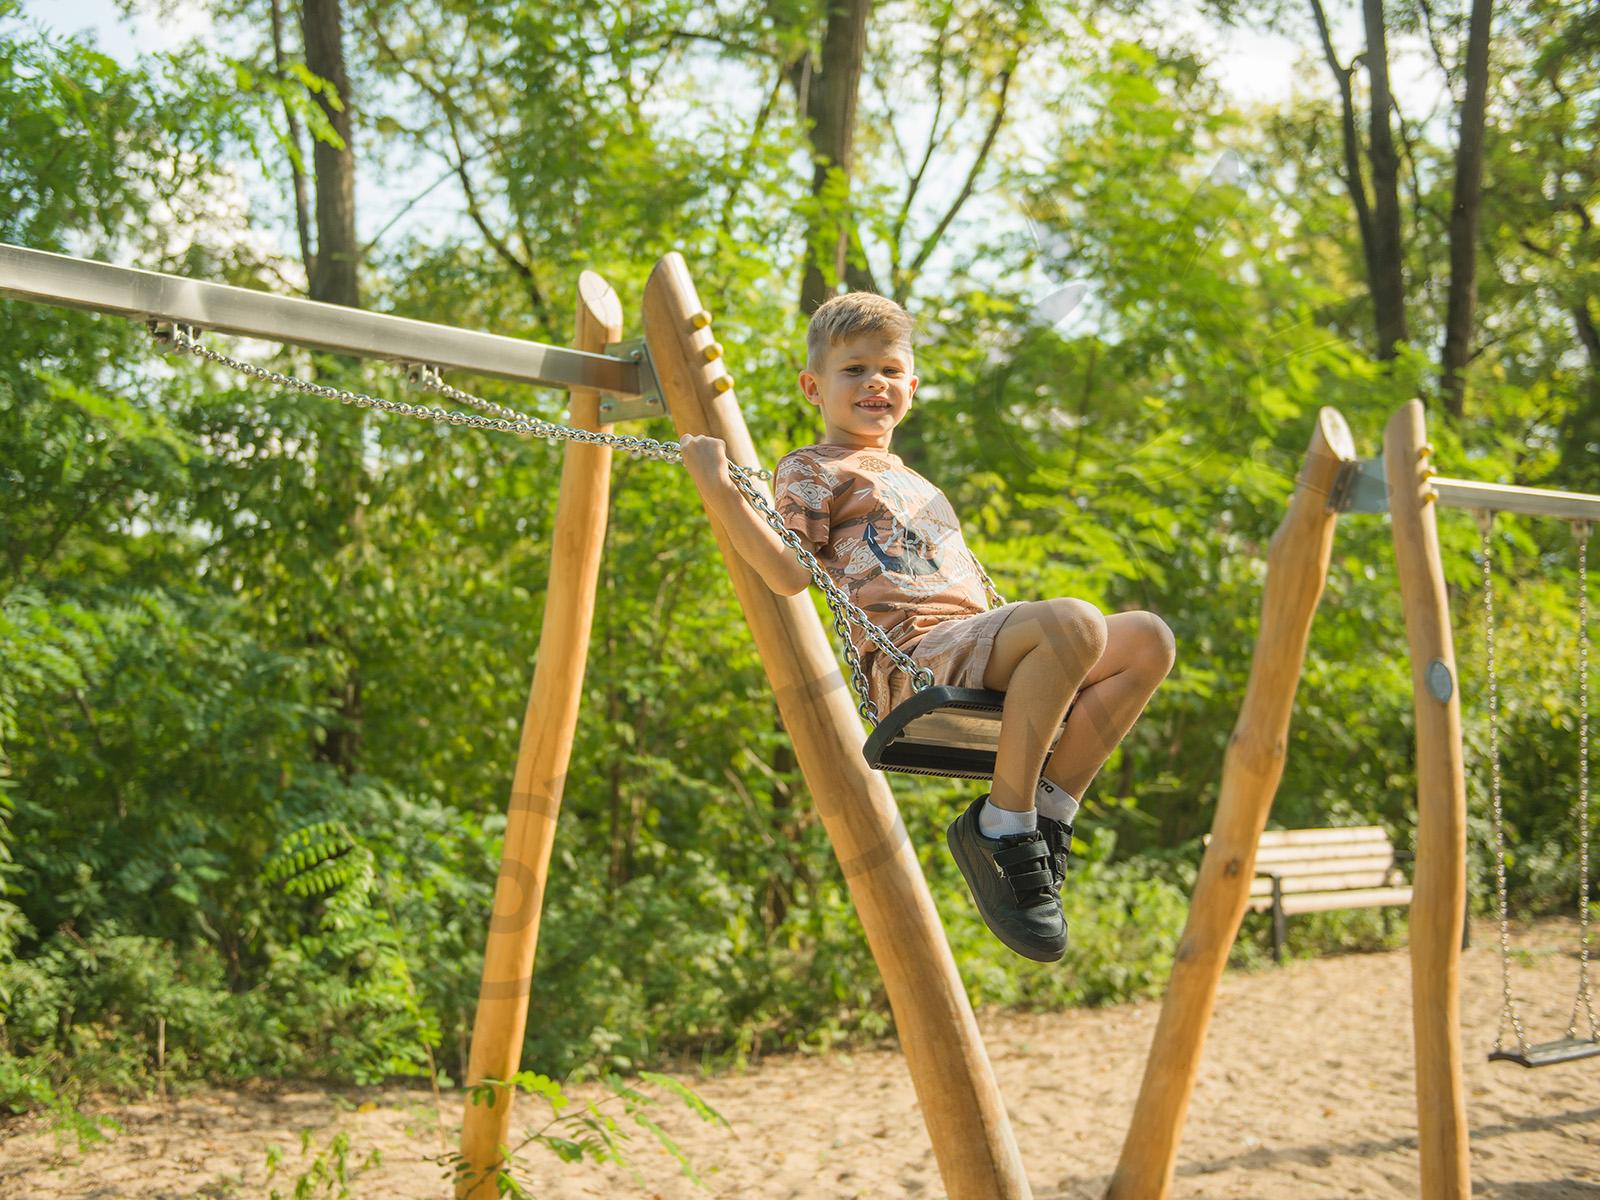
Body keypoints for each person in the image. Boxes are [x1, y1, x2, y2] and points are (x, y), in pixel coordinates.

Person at [680, 291, 1175, 962]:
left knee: (1148, 639)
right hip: (913, 657)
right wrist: (718, 489)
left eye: (889, 369)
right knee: (1075, 623)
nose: (874, 383)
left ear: (911, 385)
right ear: (813, 386)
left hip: (971, 640)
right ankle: (1004, 825)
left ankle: (1048, 812)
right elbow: (790, 573)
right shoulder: (812, 466)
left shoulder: (913, 479)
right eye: (853, 370)